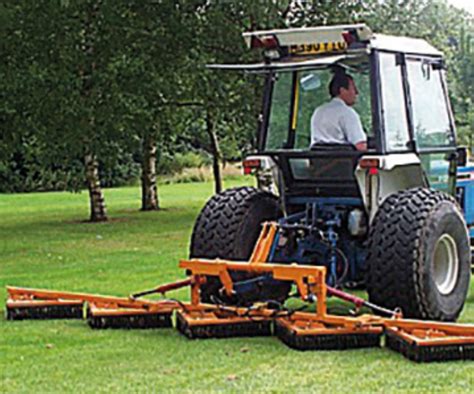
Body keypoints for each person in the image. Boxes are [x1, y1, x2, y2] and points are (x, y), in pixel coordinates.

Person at [310, 72, 367, 151]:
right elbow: (360, 146)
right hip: (343, 161)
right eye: (353, 88)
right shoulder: (347, 113)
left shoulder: (318, 111)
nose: (357, 93)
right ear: (342, 90)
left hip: (318, 162)